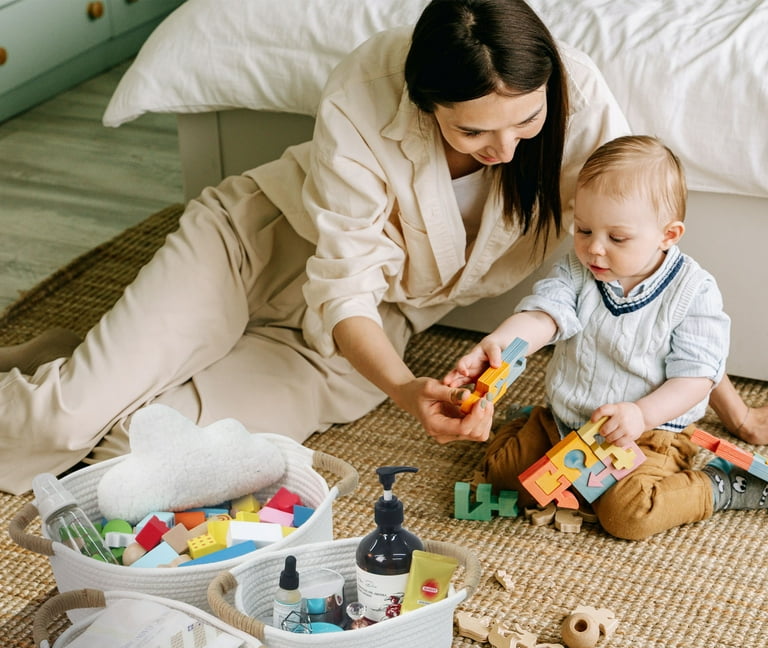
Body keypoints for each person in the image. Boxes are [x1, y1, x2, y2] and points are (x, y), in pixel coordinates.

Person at [0, 0, 759, 496]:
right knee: (63, 424)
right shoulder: (365, 89)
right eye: (472, 130)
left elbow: (645, 261)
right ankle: (83, 378)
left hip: (364, 332)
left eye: (524, 122)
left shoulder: (574, 96)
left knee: (135, 464)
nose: (504, 147)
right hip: (253, 254)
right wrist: (405, 390)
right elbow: (343, 286)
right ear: (426, 103)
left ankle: (87, 362)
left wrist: (719, 394)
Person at [445, 135, 767, 540]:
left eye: (617, 238)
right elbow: (544, 315)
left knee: (628, 515)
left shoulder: (693, 292)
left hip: (652, 433)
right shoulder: (577, 272)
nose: (594, 249)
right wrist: (501, 341)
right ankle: (527, 423)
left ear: (668, 235)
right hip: (566, 421)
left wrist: (643, 414)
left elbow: (698, 376)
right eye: (583, 229)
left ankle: (718, 488)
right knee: (504, 478)